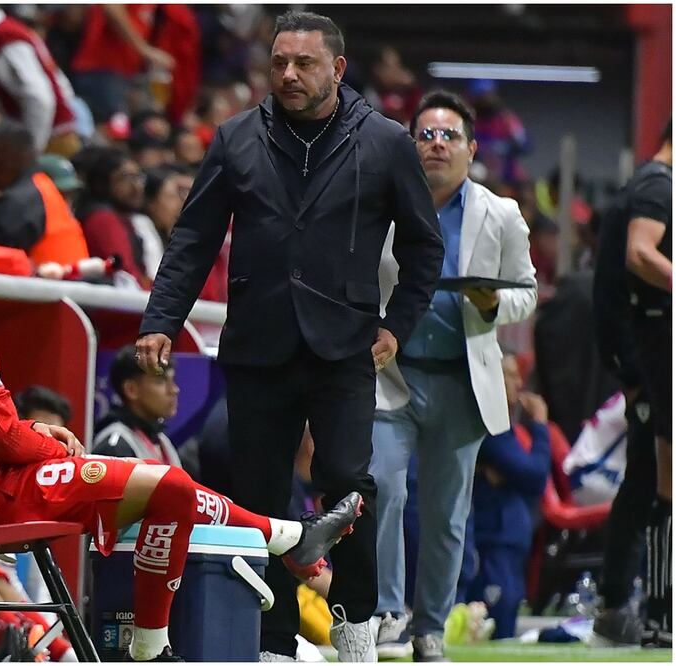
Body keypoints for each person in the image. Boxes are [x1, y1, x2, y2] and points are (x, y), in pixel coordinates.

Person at [0, 193, 364, 662]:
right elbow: (0, 438)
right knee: (167, 485)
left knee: (167, 487)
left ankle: (283, 541)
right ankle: (159, 641)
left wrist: (32, 430)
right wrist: (64, 455)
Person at [136, 11, 444, 661]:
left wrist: (397, 325)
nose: (287, 74)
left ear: (335, 68)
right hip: (257, 344)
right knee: (257, 497)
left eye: (303, 63)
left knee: (347, 481)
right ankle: (271, 642)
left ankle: (355, 625)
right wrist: (161, 320)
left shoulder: (385, 141)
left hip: (346, 346)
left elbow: (423, 248)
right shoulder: (234, 137)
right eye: (278, 62)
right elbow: (191, 240)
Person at [368, 91, 537, 661]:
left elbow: (526, 294)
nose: (436, 144)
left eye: (449, 136)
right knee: (385, 489)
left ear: (471, 148)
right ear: (411, 145)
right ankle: (389, 614)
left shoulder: (502, 214)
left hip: (462, 381)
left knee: (446, 517)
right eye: (426, 135)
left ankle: (430, 629)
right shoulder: (380, 205)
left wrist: (492, 306)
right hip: (393, 376)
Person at [591, 121, 669, 646]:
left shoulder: (649, 183)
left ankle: (624, 607)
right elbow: (640, 255)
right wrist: (634, 374)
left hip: (645, 355)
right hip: (650, 356)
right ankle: (636, 609)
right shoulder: (658, 186)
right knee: (655, 484)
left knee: (648, 481)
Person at [623, 122, 672, 647]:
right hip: (662, 343)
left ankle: (661, 616)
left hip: (656, 346)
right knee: (667, 486)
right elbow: (640, 251)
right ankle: (661, 615)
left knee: (664, 483)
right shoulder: (660, 185)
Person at [465, 355, 551, 640]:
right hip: (492, 544)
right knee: (494, 632)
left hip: (510, 544)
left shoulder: (505, 426)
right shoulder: (490, 428)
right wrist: (540, 426)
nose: (518, 383)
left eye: (517, 375)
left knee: (506, 628)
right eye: (508, 375)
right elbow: (534, 476)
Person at [0, 6, 81, 157]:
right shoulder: (10, 30)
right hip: (58, 136)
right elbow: (61, 84)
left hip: (52, 142)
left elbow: (40, 99)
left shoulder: (4, 37)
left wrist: (30, 151)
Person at [0, 121, 90, 266]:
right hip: (68, 283)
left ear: (10, 157)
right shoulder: (43, 186)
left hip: (51, 285)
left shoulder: (17, 201)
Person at [93, 345, 182, 467]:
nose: (174, 390)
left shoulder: (162, 441)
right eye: (160, 381)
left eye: (173, 380)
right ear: (131, 389)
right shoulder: (115, 446)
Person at [75, 147, 150, 288]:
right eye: (126, 178)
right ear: (103, 183)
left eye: (138, 177)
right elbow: (125, 275)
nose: (136, 186)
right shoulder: (103, 219)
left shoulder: (121, 217)